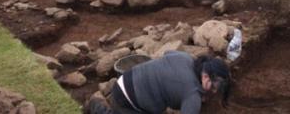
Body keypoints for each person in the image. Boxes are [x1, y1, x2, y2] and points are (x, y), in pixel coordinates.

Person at [89, 51, 231, 114]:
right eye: (213, 88)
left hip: (125, 80)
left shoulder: (185, 57)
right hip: (128, 102)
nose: (213, 92)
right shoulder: (192, 95)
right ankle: (99, 109)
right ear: (206, 77)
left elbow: (167, 53)